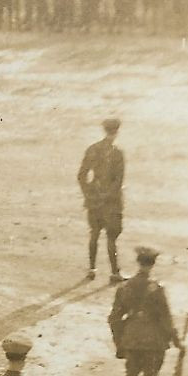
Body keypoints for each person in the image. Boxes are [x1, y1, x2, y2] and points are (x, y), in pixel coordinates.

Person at [108, 245, 182, 376]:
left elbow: (114, 318)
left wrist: (120, 342)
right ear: (152, 264)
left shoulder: (124, 287)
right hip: (153, 341)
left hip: (132, 339)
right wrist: (177, 341)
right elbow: (166, 319)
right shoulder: (157, 289)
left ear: (138, 263)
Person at [78, 117, 127, 282]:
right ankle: (114, 272)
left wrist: (89, 194)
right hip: (111, 202)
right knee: (111, 238)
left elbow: (81, 175)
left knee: (94, 234)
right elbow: (118, 181)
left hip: (94, 199)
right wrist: (108, 196)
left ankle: (91, 269)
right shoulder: (117, 153)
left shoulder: (93, 149)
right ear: (117, 131)